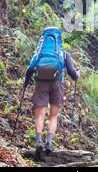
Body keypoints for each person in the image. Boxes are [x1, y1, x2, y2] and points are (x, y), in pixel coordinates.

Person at [24, 27, 79, 156]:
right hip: (57, 84)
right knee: (53, 115)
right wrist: (77, 75)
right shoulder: (63, 54)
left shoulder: (39, 53)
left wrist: (26, 81)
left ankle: (38, 142)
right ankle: (49, 143)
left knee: (39, 114)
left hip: (40, 83)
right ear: (59, 39)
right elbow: (72, 73)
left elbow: (30, 68)